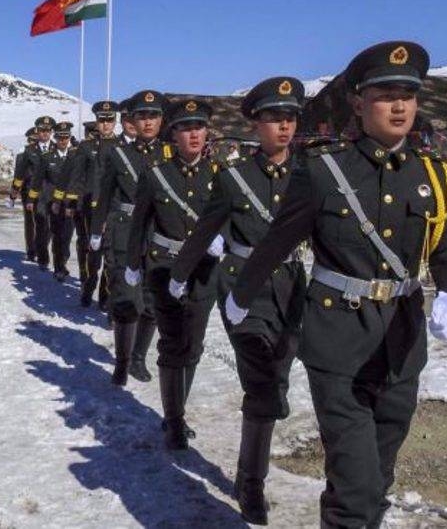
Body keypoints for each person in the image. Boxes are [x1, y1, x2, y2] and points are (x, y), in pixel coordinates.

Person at [225, 41, 447, 527]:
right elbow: (278, 240)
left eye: (408, 94)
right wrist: (240, 294)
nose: (399, 105)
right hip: (337, 345)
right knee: (355, 488)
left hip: (400, 344)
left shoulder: (435, 175)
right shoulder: (323, 170)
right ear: (359, 103)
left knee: (378, 479)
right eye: (385, 94)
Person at [166, 77, 307, 523]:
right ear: (255, 124)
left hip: (292, 288)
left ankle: (253, 463)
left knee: (279, 376)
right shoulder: (234, 178)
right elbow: (205, 229)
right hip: (243, 289)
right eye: (272, 118)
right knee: (262, 381)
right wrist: (180, 273)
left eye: (289, 118)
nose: (283, 127)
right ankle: (251, 483)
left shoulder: (312, 175)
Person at [124, 98, 221, 449]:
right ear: (173, 134)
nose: (194, 134)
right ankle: (174, 421)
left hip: (205, 272)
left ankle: (177, 409)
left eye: (199, 126)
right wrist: (133, 264)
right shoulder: (156, 175)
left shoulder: (220, 174)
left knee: (193, 346)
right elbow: (139, 224)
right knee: (171, 344)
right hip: (164, 268)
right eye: (185, 127)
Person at [90, 91, 169, 386]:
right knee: (125, 297)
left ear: (161, 120)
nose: (148, 123)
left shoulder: (170, 155)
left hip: (158, 231)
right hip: (124, 230)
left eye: (154, 116)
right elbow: (105, 195)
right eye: (142, 116)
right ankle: (122, 362)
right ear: (133, 120)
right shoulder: (118, 155)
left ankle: (138, 357)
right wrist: (97, 231)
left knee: (152, 299)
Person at [70, 103, 119, 309]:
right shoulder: (85, 147)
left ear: (115, 122)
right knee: (93, 254)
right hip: (91, 207)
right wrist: (74, 202)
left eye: (109, 120)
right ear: (97, 122)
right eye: (102, 120)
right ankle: (88, 287)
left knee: (111, 255)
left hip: (115, 207)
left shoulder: (121, 146)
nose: (105, 124)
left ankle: (106, 297)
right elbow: (77, 176)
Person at [29, 121, 76, 281]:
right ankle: (59, 267)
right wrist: (32, 199)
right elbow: (37, 180)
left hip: (70, 202)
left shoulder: (75, 156)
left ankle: (63, 260)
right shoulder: (47, 157)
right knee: (57, 235)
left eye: (66, 137)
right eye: (60, 138)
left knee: (67, 236)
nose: (63, 141)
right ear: (55, 138)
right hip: (52, 203)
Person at [15, 116, 55, 269]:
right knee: (35, 223)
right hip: (33, 193)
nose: (45, 133)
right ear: (38, 131)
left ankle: (41, 247)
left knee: (50, 225)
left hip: (51, 193)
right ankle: (35, 252)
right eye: (42, 130)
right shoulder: (29, 150)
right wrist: (15, 191)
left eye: (47, 130)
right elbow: (21, 172)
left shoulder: (56, 148)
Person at [9, 128, 39, 261]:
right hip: (27, 191)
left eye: (35, 140)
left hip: (44, 192)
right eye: (32, 140)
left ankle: (40, 247)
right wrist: (14, 191)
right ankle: (31, 249)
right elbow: (18, 175)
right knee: (30, 222)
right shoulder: (22, 154)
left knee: (45, 221)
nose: (33, 142)